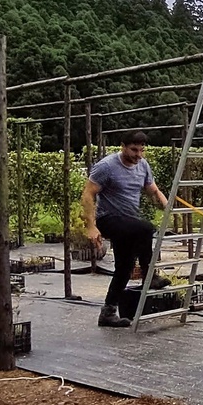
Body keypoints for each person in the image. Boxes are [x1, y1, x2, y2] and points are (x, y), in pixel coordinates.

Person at [82, 130, 169, 327]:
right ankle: (150, 275)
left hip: (128, 223)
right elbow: (87, 194)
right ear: (122, 146)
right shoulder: (106, 166)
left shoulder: (143, 165)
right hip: (108, 219)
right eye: (133, 150)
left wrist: (166, 204)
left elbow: (152, 189)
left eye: (141, 150)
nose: (138, 155)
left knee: (125, 267)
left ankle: (108, 312)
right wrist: (91, 226)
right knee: (146, 229)